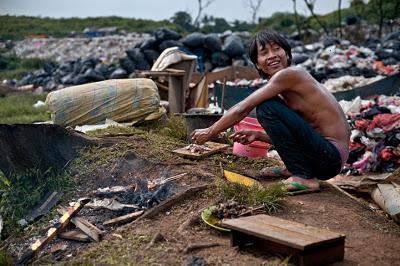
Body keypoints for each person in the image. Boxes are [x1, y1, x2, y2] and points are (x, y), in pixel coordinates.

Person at [190, 28, 350, 192]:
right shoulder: (285, 90)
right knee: (271, 104)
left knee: (267, 107)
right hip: (326, 158)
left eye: (276, 49)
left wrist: (209, 131)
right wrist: (259, 135)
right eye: (264, 52)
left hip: (330, 158)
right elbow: (297, 136)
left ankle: (304, 177)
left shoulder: (291, 74)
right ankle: (296, 168)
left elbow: (243, 108)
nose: (272, 55)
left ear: (287, 54)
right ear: (257, 63)